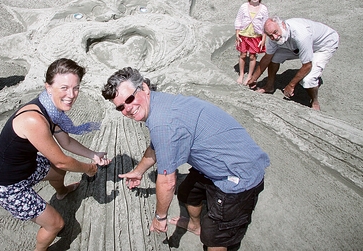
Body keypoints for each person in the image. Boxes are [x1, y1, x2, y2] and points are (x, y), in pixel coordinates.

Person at [101, 67, 270, 251]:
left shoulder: (163, 123)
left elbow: (167, 182)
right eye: (120, 107)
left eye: (130, 99)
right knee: (188, 192)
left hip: (237, 174)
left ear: (144, 88)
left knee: (214, 237)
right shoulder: (159, 104)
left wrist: (160, 218)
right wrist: (139, 171)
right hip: (217, 161)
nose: (128, 109)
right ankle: (195, 225)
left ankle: (209, 235)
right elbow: (157, 146)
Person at [0, 58, 111, 251]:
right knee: (56, 224)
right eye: (64, 88)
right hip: (8, 184)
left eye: (76, 88)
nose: (71, 94)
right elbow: (61, 161)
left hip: (26, 165)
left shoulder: (50, 109)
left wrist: (93, 154)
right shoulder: (34, 119)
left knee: (57, 173)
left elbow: (66, 142)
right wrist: (89, 169)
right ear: (48, 87)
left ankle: (62, 192)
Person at [247, 16, 339, 111]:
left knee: (308, 80)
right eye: (270, 35)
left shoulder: (301, 35)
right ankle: (269, 86)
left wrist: (291, 85)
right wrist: (253, 78)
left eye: (275, 32)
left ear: (282, 25)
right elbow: (267, 57)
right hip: (297, 46)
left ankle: (314, 101)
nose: (274, 37)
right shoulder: (275, 37)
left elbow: (307, 65)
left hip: (323, 45)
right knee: (274, 57)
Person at [234, 0, 268, 84]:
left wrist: (263, 38)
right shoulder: (244, 7)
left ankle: (249, 75)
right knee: (243, 55)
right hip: (244, 34)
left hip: (255, 35)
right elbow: (238, 20)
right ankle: (241, 74)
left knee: (252, 56)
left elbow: (265, 24)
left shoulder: (263, 9)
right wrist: (237, 33)